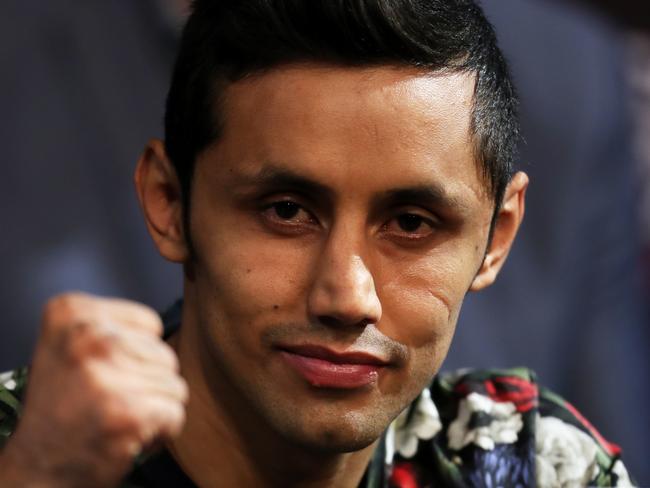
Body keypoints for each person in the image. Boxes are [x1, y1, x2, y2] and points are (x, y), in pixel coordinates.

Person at [0, 0, 635, 486]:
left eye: (411, 224)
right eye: (286, 211)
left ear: (496, 238)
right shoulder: (32, 448)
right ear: (169, 202)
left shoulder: (538, 466)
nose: (346, 295)